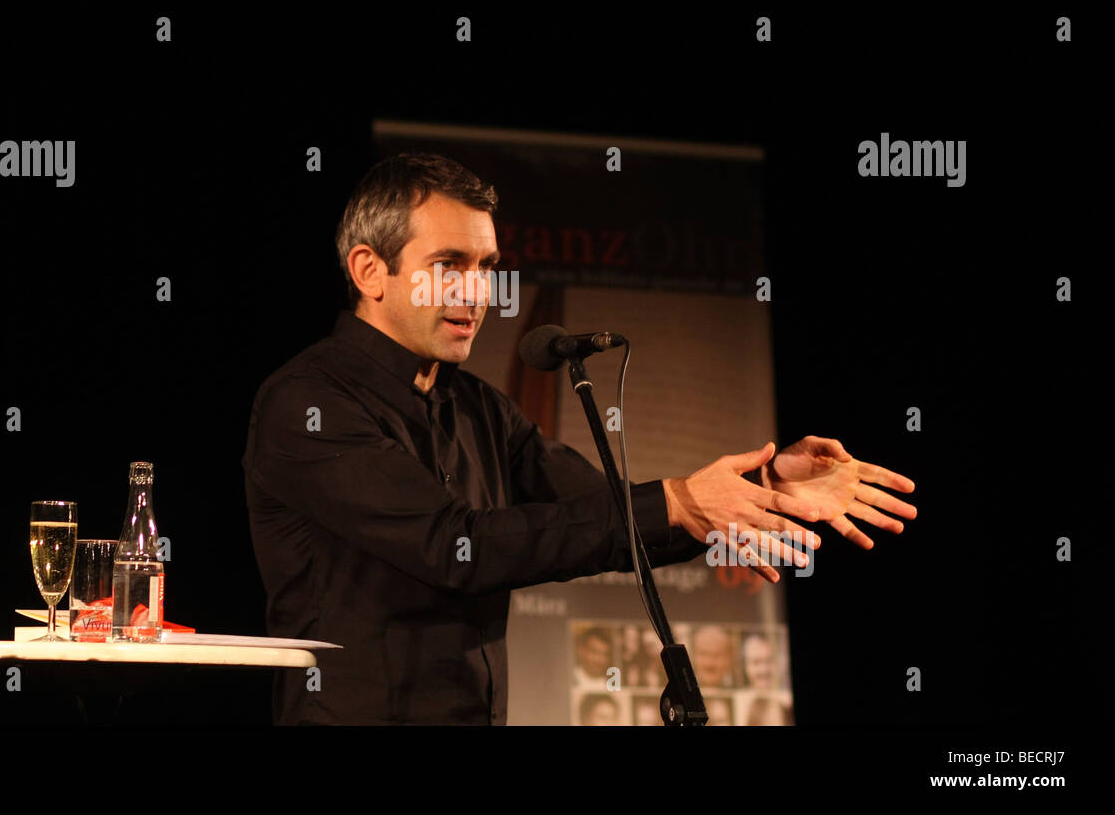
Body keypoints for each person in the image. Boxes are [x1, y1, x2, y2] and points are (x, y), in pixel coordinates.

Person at [243, 152, 918, 725]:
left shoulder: (479, 407)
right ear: (369, 271)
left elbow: (614, 516)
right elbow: (457, 548)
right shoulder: (309, 402)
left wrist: (756, 490)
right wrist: (680, 499)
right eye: (450, 264)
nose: (479, 291)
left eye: (487, 265)